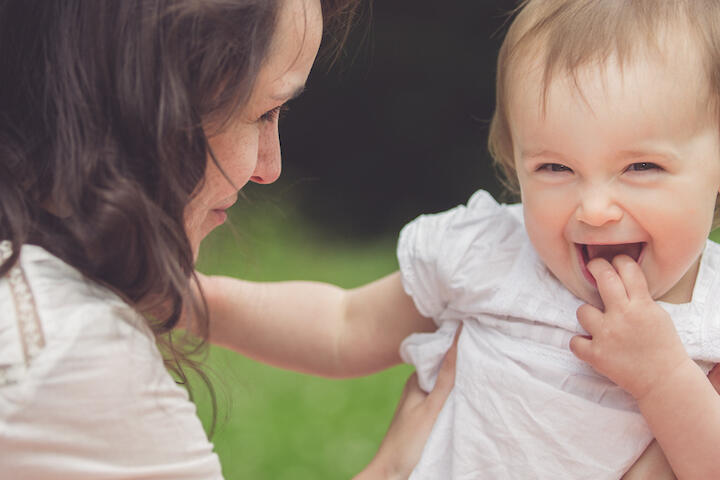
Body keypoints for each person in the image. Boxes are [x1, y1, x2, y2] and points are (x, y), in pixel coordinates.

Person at [197, 0, 720, 478]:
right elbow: (343, 325)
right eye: (556, 167)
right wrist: (200, 302)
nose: (596, 209)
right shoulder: (490, 253)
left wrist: (663, 378)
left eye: (641, 166)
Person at [0, 0, 460, 478]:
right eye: (264, 112)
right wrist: (391, 469)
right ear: (155, 99)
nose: (270, 167)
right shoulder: (69, 354)